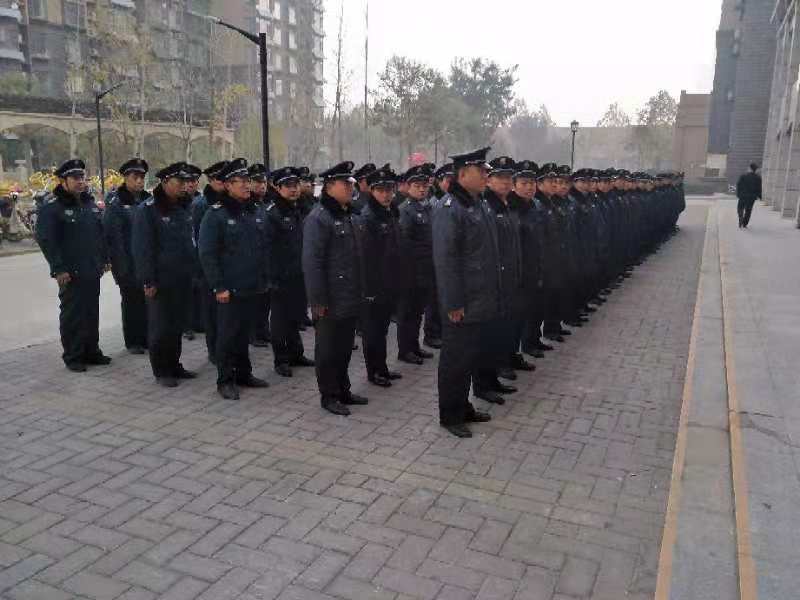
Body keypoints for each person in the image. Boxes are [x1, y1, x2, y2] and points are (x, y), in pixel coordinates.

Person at [432, 147, 497, 438]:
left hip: (478, 297)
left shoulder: (477, 203)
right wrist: (453, 303)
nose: (485, 175)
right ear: (462, 174)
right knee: (455, 361)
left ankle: (463, 405)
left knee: (468, 358)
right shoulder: (449, 208)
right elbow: (446, 261)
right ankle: (450, 415)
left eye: (485, 171)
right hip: (461, 302)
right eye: (480, 171)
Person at [199, 158, 270, 400]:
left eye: (248, 180)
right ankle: (225, 380)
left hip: (251, 285)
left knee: (244, 334)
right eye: (241, 181)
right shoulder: (216, 214)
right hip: (229, 288)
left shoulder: (253, 211)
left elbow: (260, 248)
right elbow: (207, 254)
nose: (247, 185)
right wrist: (218, 286)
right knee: (228, 336)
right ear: (228, 185)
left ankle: (243, 374)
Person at [303, 161, 368, 416]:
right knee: (328, 350)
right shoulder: (319, 218)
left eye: (351, 184)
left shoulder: (348, 214)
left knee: (344, 347)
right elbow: (313, 263)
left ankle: (343, 389)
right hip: (329, 299)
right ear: (330, 186)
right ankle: (329, 395)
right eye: (345, 184)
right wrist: (318, 301)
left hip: (349, 295)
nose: (351, 188)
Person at [36, 159, 111, 372]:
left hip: (91, 269)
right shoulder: (52, 208)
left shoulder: (89, 204)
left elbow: (99, 235)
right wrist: (58, 268)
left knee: (91, 312)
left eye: (82, 177)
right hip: (70, 272)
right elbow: (46, 240)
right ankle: (73, 356)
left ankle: (91, 352)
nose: (80, 182)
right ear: (63, 181)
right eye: (75, 178)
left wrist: (105, 259)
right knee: (73, 315)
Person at [132, 162, 197, 387]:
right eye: (180, 182)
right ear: (165, 182)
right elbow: (142, 248)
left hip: (181, 276)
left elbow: (188, 242)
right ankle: (161, 370)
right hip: (160, 279)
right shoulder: (148, 210)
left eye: (186, 182)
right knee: (160, 326)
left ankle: (174, 364)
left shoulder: (182, 206)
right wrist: (148, 280)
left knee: (176, 325)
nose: (185, 186)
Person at [358, 164, 406, 387]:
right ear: (372, 191)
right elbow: (366, 258)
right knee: (373, 331)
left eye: (389, 190)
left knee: (383, 328)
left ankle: (382, 367)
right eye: (381, 190)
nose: (387, 194)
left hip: (389, 281)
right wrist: (369, 290)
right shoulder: (368, 217)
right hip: (374, 286)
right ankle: (374, 371)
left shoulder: (390, 212)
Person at [265, 166, 315, 377]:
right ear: (277, 188)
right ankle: (281, 359)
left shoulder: (299, 209)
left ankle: (296, 353)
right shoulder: (273, 213)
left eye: (295, 185)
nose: (293, 189)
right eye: (288, 186)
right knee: (280, 320)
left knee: (295, 316)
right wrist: (271, 278)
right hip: (280, 276)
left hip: (299, 274)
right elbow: (266, 249)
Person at [103, 158, 151, 355]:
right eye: (135, 177)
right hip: (127, 263)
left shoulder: (147, 200)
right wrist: (120, 267)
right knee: (132, 301)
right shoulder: (116, 203)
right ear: (125, 178)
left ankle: (146, 337)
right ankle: (133, 341)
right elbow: (114, 238)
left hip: (145, 261)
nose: (139, 181)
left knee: (147, 301)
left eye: (142, 177)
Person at [397, 164, 436, 365]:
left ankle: (414, 346)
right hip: (411, 271)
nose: (422, 189)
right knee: (408, 312)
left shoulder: (427, 207)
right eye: (417, 186)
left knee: (418, 311)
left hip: (425, 270)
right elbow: (404, 245)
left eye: (424, 186)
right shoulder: (405, 210)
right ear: (408, 187)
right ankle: (405, 350)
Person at [192, 161, 229, 364]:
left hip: (227, 267)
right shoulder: (202, 204)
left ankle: (225, 348)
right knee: (212, 313)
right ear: (212, 180)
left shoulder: (228, 202)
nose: (224, 183)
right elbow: (199, 241)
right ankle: (214, 350)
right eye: (221, 180)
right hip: (208, 269)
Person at [248, 162, 272, 348]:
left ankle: (263, 330)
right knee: (254, 301)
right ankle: (253, 334)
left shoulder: (266, 204)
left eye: (263, 182)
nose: (261, 186)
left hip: (266, 260)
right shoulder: (246, 205)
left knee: (265, 299)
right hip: (252, 261)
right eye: (257, 182)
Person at [736, 162, 762, 229]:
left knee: (740, 208)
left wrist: (738, 194)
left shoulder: (743, 176)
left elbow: (739, 185)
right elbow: (759, 188)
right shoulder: (758, 178)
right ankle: (745, 224)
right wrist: (760, 196)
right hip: (752, 197)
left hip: (743, 196)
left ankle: (741, 218)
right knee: (748, 210)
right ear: (755, 170)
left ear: (750, 168)